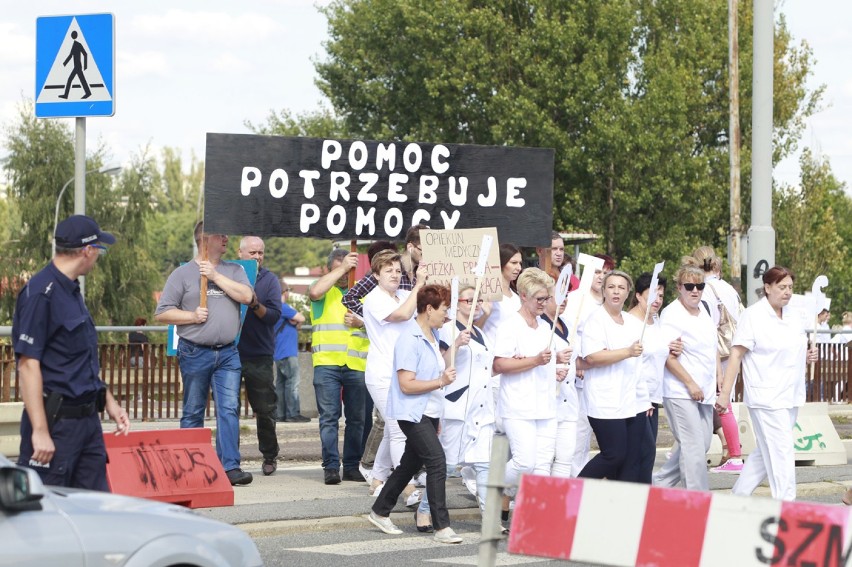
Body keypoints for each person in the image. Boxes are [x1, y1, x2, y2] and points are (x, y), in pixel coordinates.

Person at [14, 214, 130, 489]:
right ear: (87, 251)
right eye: (99, 249)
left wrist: (108, 401)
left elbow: (80, 359)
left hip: (87, 423)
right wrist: (40, 431)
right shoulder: (41, 293)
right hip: (57, 425)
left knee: (95, 511)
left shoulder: (71, 290)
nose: (99, 256)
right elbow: (28, 365)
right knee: (47, 514)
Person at [154, 221, 254, 486]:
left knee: (229, 408)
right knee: (193, 410)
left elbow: (247, 296)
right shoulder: (182, 274)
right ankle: (189, 466)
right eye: (220, 235)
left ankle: (230, 466)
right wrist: (190, 316)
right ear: (204, 239)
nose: (226, 238)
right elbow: (163, 312)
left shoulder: (234, 270)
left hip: (228, 353)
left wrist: (215, 276)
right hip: (195, 351)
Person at [368, 285, 464, 544]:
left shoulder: (432, 334)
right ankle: (442, 527)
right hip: (412, 413)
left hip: (429, 411)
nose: (447, 315)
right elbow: (406, 384)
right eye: (444, 310)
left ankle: (380, 510)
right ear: (429, 309)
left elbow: (432, 376)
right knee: (437, 462)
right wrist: (441, 381)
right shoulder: (410, 338)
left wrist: (437, 414)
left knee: (409, 464)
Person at [717, 266, 818, 501]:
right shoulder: (753, 316)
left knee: (765, 451)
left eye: (790, 287)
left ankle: (738, 495)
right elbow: (736, 355)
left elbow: (789, 350)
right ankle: (786, 504)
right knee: (781, 451)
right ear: (767, 287)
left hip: (790, 394)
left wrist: (806, 356)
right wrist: (725, 394)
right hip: (766, 397)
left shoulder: (794, 315)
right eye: (782, 287)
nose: (787, 292)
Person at [363, 250, 428, 499]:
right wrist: (419, 284)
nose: (394, 274)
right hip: (382, 374)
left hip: (403, 372)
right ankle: (407, 486)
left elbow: (420, 313)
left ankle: (378, 478)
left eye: (398, 270)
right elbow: (401, 315)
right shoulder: (373, 299)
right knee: (399, 429)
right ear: (377, 274)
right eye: (388, 270)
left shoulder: (403, 294)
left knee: (392, 429)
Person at [493, 268, 563, 497]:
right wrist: (534, 361)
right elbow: (498, 365)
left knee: (543, 467)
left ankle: (535, 520)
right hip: (518, 406)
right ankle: (492, 485)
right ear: (524, 296)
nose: (544, 303)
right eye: (539, 299)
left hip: (546, 405)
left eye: (547, 298)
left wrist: (557, 364)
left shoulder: (545, 327)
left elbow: (544, 363)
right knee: (525, 463)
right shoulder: (510, 325)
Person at [652, 260, 719, 491]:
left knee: (703, 444)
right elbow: (668, 356)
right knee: (693, 449)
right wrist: (690, 383)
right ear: (679, 287)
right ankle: (697, 499)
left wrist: (719, 376)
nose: (695, 291)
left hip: (706, 390)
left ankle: (659, 484)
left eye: (699, 286)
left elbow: (713, 348)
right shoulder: (672, 314)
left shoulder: (706, 311)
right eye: (689, 286)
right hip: (681, 390)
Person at [577, 270, 648, 482]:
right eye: (611, 287)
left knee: (630, 460)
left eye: (621, 288)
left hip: (633, 401)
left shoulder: (632, 322)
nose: (616, 292)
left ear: (628, 293)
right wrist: (625, 352)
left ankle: (618, 509)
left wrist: (645, 399)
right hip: (605, 400)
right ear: (603, 291)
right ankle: (573, 492)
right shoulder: (596, 319)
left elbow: (639, 364)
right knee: (613, 454)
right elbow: (592, 357)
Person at [308, 248, 370, 485]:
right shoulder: (323, 288)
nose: (345, 273)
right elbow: (314, 292)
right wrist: (343, 267)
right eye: (340, 267)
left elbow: (379, 325)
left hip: (356, 363)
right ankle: (331, 466)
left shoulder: (364, 294)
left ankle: (352, 466)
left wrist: (360, 321)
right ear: (330, 268)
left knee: (357, 418)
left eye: (349, 268)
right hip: (327, 363)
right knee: (329, 417)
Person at [438, 285, 495, 514]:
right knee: (448, 465)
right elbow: (441, 363)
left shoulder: (480, 332)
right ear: (456, 303)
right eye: (470, 300)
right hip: (458, 406)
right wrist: (457, 344)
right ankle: (425, 509)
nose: (476, 304)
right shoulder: (447, 330)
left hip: (482, 406)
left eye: (479, 300)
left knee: (484, 464)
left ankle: (489, 517)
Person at [692, 245, 745, 473]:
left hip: (715, 353)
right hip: (732, 349)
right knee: (723, 402)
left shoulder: (704, 291)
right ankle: (729, 450)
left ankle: (734, 455)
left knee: (721, 403)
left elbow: (708, 329)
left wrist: (715, 367)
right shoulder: (729, 289)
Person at [627, 272, 681, 481]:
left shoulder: (656, 321)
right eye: (652, 295)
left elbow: (659, 350)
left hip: (654, 396)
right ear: (639, 295)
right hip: (636, 398)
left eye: (660, 295)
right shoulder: (630, 323)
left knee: (645, 455)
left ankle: (640, 501)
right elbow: (632, 362)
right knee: (641, 453)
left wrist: (674, 347)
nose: (657, 300)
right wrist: (642, 397)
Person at [236, 236, 283, 476]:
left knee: (265, 409)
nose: (257, 257)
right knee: (228, 410)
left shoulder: (269, 280)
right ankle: (230, 460)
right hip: (229, 353)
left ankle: (269, 455)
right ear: (240, 253)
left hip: (259, 354)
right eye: (252, 252)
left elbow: (274, 316)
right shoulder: (229, 274)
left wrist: (255, 304)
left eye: (261, 253)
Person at [567, 253, 615, 476]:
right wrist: (576, 361)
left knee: (592, 433)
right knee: (578, 430)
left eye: (606, 273)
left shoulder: (607, 304)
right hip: (577, 376)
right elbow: (566, 334)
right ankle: (574, 478)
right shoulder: (576, 300)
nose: (601, 276)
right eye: (598, 271)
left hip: (602, 377)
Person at [541, 290, 577, 478]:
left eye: (566, 296)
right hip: (546, 402)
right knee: (543, 459)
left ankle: (556, 505)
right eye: (558, 295)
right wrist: (554, 363)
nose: (563, 301)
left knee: (565, 457)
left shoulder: (570, 324)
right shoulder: (538, 327)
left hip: (569, 401)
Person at [274, 278, 308, 423]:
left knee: (281, 384)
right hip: (288, 352)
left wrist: (295, 321)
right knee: (292, 383)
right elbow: (301, 317)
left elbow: (296, 321)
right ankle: (292, 413)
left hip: (278, 352)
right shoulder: (283, 307)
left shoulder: (274, 307)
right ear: (285, 292)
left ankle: (280, 414)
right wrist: (296, 319)